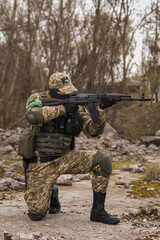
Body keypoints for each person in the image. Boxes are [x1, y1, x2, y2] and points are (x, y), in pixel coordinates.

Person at [23, 72, 120, 224]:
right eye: (64, 91)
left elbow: (94, 130)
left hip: (66, 158)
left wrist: (101, 109)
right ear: (54, 90)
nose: (69, 93)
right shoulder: (37, 98)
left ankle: (98, 212)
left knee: (103, 160)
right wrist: (64, 109)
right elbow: (33, 116)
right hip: (41, 163)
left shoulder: (76, 106)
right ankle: (51, 192)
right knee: (36, 214)